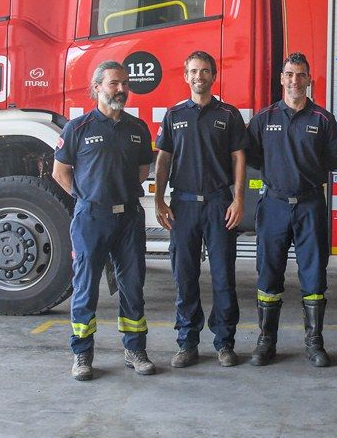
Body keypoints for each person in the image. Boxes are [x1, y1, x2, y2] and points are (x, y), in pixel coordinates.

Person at [52, 61, 155, 381]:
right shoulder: (77, 128)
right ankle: (82, 355)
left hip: (128, 219)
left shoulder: (137, 129)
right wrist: (88, 198)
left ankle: (135, 349)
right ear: (97, 87)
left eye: (125, 83)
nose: (121, 89)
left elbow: (142, 171)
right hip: (91, 219)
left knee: (133, 287)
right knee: (85, 289)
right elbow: (60, 172)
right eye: (114, 84)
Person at [245, 52, 337, 367]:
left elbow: (333, 161)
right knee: (268, 273)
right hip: (273, 204)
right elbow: (251, 157)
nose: (294, 80)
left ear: (309, 79)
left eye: (301, 75)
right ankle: (266, 341)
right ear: (281, 78)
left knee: (314, 275)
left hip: (310, 205)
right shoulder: (264, 119)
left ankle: (314, 343)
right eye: (289, 74)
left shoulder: (323, 119)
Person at [154, 51, 248, 368]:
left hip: (220, 204)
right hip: (183, 205)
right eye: (194, 71)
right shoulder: (173, 115)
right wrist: (158, 199)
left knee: (223, 277)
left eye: (205, 71)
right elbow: (163, 159)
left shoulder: (229, 115)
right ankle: (187, 343)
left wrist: (239, 199)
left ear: (214, 75)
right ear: (185, 76)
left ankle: (224, 343)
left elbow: (238, 158)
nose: (199, 76)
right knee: (185, 277)